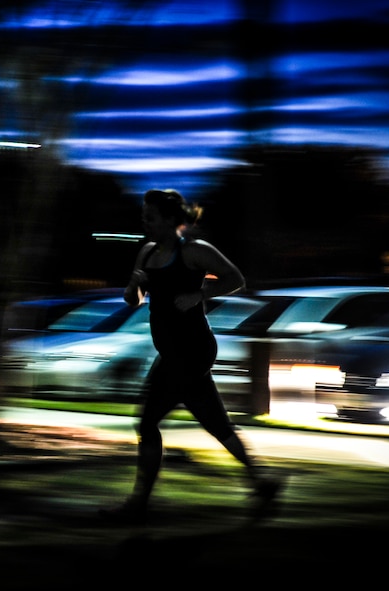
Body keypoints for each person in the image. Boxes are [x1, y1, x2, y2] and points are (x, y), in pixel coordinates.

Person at [99, 188, 281, 524]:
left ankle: (139, 503)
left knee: (147, 420)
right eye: (144, 217)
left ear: (170, 220)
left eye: (150, 217)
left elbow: (236, 279)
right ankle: (263, 482)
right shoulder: (147, 253)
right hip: (171, 353)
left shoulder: (195, 251)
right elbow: (133, 300)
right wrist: (134, 287)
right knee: (216, 424)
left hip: (193, 350)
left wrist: (200, 293)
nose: (145, 223)